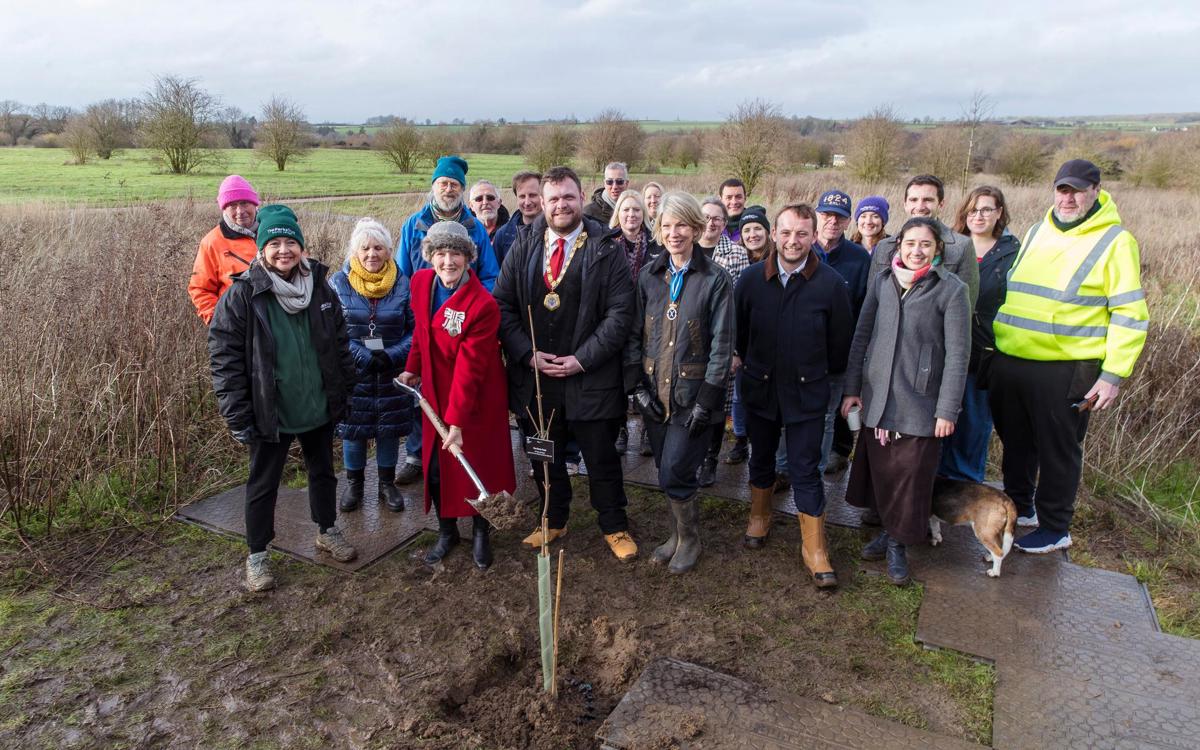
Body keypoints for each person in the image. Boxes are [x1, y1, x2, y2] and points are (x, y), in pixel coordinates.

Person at [989, 159, 1148, 553]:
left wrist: (1113, 374)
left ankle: (1056, 527)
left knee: (1059, 450)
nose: (1069, 197)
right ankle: (1020, 507)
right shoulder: (1037, 230)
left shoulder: (1114, 241)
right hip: (1014, 359)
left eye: (1077, 190)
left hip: (1066, 367)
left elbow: (1130, 312)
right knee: (1017, 443)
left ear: (1096, 190)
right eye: (1063, 189)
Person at [208, 205, 359, 591]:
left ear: (301, 247)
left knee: (323, 472)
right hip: (269, 411)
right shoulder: (242, 295)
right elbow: (225, 360)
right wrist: (237, 414)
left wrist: (345, 388)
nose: (283, 250)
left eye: (290, 242)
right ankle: (257, 555)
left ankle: (327, 530)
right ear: (261, 250)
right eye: (273, 243)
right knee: (263, 483)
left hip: (317, 404)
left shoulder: (320, 288)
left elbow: (339, 343)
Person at [494, 166, 639, 562]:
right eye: (554, 198)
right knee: (543, 455)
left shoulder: (607, 248)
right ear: (542, 202)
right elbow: (502, 305)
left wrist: (581, 359)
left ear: (580, 198)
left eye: (568, 197)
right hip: (536, 380)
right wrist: (526, 353)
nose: (561, 205)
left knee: (600, 457)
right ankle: (552, 518)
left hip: (590, 378)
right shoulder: (523, 245)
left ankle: (614, 525)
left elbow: (620, 314)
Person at [841, 217, 971, 585]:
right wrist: (852, 389)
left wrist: (947, 409)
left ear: (937, 250)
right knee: (884, 474)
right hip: (878, 398)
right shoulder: (882, 283)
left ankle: (899, 544)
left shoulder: (951, 290)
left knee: (912, 477)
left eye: (925, 245)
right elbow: (861, 337)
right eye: (910, 243)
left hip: (922, 403)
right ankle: (889, 530)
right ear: (898, 246)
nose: (917, 251)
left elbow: (959, 355)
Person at [735, 204, 853, 589]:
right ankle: (760, 516)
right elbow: (740, 334)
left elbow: (840, 348)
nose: (793, 241)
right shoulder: (751, 280)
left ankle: (814, 548)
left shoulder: (831, 285)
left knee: (805, 468)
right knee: (763, 457)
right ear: (774, 234)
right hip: (760, 388)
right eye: (785, 232)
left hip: (807, 394)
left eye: (802, 234)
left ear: (814, 236)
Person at [625, 192, 733, 574]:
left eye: (682, 225)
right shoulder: (650, 276)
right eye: (667, 225)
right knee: (665, 470)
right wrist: (636, 388)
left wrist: (708, 399)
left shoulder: (715, 279)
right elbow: (634, 336)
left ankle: (690, 539)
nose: (674, 233)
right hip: (655, 391)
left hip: (693, 395)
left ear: (696, 228)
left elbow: (722, 344)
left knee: (675, 469)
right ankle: (674, 535)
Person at [398, 222, 516, 569]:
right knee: (435, 468)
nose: (448, 261)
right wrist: (412, 368)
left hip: (476, 400)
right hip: (434, 392)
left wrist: (457, 422)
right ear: (430, 256)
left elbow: (470, 369)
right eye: (441, 253)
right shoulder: (420, 283)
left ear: (468, 258)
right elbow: (421, 333)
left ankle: (481, 531)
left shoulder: (482, 305)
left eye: (456, 254)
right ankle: (447, 531)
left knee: (477, 465)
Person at [394, 155, 501, 486]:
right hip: (422, 317)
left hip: (463, 323)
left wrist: (462, 307)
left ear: (461, 190)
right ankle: (416, 453)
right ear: (434, 186)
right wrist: (416, 311)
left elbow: (490, 276)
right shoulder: (413, 225)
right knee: (423, 392)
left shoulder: (474, 228)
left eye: (455, 184)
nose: (449, 189)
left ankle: (461, 452)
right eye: (443, 183)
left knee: (462, 388)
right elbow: (403, 273)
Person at [328, 218, 413, 514]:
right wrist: (363, 356)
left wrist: (391, 355)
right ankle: (354, 485)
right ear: (355, 251)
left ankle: (387, 484)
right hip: (354, 373)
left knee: (388, 430)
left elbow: (415, 331)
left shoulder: (403, 283)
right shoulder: (338, 284)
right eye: (365, 248)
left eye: (378, 247)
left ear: (389, 251)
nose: (371, 254)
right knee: (354, 430)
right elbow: (331, 330)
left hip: (392, 372)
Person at [936, 186, 1019, 485]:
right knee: (940, 420)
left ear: (999, 212)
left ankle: (964, 491)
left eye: (986, 209)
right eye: (973, 210)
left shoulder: (1012, 253)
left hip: (984, 352)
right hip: (943, 348)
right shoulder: (949, 246)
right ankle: (934, 490)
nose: (979, 216)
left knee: (972, 423)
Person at [814, 190, 873, 477]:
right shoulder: (803, 248)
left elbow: (864, 306)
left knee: (839, 405)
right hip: (806, 344)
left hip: (842, 346)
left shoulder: (859, 258)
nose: (832, 222)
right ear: (817, 216)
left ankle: (839, 450)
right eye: (826, 215)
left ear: (849, 222)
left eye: (839, 217)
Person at [697, 197, 750, 477]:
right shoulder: (686, 249)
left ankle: (710, 459)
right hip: (691, 340)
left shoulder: (737, 254)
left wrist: (733, 350)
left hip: (721, 340)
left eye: (718, 218)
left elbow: (737, 307)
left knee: (716, 402)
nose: (711, 222)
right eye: (706, 216)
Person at [609, 190, 663, 456]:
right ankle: (620, 429)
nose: (631, 215)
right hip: (616, 319)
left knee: (648, 374)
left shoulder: (657, 245)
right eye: (626, 209)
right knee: (618, 376)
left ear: (644, 214)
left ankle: (646, 430)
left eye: (637, 210)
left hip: (648, 320)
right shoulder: (606, 244)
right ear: (618, 213)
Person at [869, 175, 979, 307]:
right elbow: (872, 300)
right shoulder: (884, 246)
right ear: (905, 204)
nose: (920, 206)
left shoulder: (962, 247)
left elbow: (966, 306)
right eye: (914, 200)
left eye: (928, 200)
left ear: (941, 204)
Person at [189, 175, 260, 325]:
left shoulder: (274, 232)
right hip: (240, 328)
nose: (240, 211)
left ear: (255, 204)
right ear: (224, 209)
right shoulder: (212, 242)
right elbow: (200, 289)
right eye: (232, 206)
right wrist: (221, 322)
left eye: (244, 203)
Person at [493, 171, 542, 264]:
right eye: (522, 196)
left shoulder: (555, 231)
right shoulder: (503, 235)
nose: (527, 202)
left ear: (543, 196)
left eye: (532, 195)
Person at [719, 179, 747, 244]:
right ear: (721, 200)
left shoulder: (754, 224)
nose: (734, 202)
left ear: (745, 198)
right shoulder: (713, 225)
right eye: (729, 197)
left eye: (738, 197)